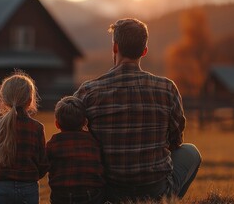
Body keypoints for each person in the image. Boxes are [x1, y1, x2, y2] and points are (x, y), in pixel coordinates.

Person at [74, 18, 202, 202]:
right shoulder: (167, 88)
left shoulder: (88, 91)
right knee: (191, 152)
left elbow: (73, 134)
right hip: (155, 189)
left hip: (108, 190)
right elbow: (176, 140)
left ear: (115, 48)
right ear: (144, 51)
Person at [0, 71, 49, 204]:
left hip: (2, 191)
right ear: (30, 99)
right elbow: (43, 164)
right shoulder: (37, 127)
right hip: (30, 191)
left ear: (4, 98)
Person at [46, 96, 105, 204]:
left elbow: (44, 165)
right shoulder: (93, 141)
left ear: (57, 124)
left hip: (61, 197)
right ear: (85, 122)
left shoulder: (53, 143)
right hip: (91, 195)